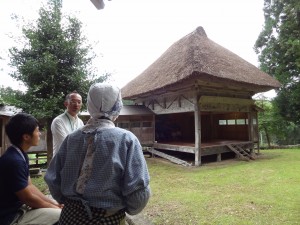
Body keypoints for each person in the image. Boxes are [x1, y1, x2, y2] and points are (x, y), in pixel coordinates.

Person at [45, 83, 151, 225]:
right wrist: (128, 209)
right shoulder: (126, 139)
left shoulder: (72, 138)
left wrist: (69, 202)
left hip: (68, 218)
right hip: (108, 219)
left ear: (89, 104)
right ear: (117, 105)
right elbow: (137, 193)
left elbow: (53, 179)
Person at [0, 113, 62, 225]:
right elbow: (27, 198)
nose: (39, 134)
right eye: (37, 130)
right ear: (26, 137)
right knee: (62, 215)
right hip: (11, 217)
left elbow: (30, 186)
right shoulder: (14, 161)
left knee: (53, 200)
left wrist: (54, 204)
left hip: (20, 207)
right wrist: (56, 209)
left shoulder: (19, 154)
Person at [51, 91, 84, 156]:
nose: (76, 104)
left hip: (75, 161)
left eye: (79, 102)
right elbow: (65, 144)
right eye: (73, 101)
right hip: (61, 161)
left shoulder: (80, 122)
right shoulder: (58, 121)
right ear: (66, 104)